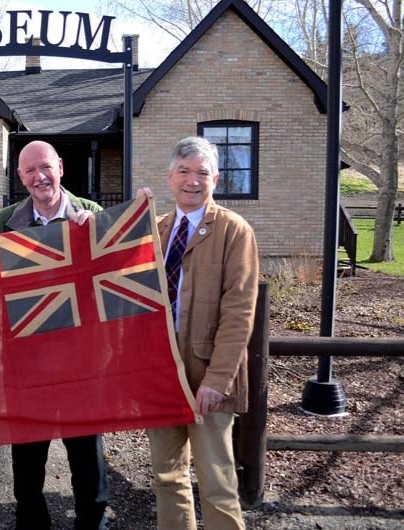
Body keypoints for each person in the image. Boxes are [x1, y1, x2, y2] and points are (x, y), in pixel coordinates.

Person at [0, 140, 108, 530]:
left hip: (80, 359)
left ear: (60, 167)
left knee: (86, 455)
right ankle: (31, 523)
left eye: (45, 167)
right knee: (27, 456)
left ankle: (91, 523)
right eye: (30, 171)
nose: (39, 176)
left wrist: (99, 238)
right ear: (21, 178)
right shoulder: (5, 222)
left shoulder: (90, 214)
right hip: (26, 360)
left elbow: (115, 272)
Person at [148, 136, 259, 530]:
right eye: (184, 171)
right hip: (162, 374)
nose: (192, 181)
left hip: (207, 374)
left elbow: (239, 312)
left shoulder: (233, 230)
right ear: (170, 176)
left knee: (217, 481)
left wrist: (217, 379)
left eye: (202, 173)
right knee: (167, 475)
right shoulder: (156, 231)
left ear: (216, 178)